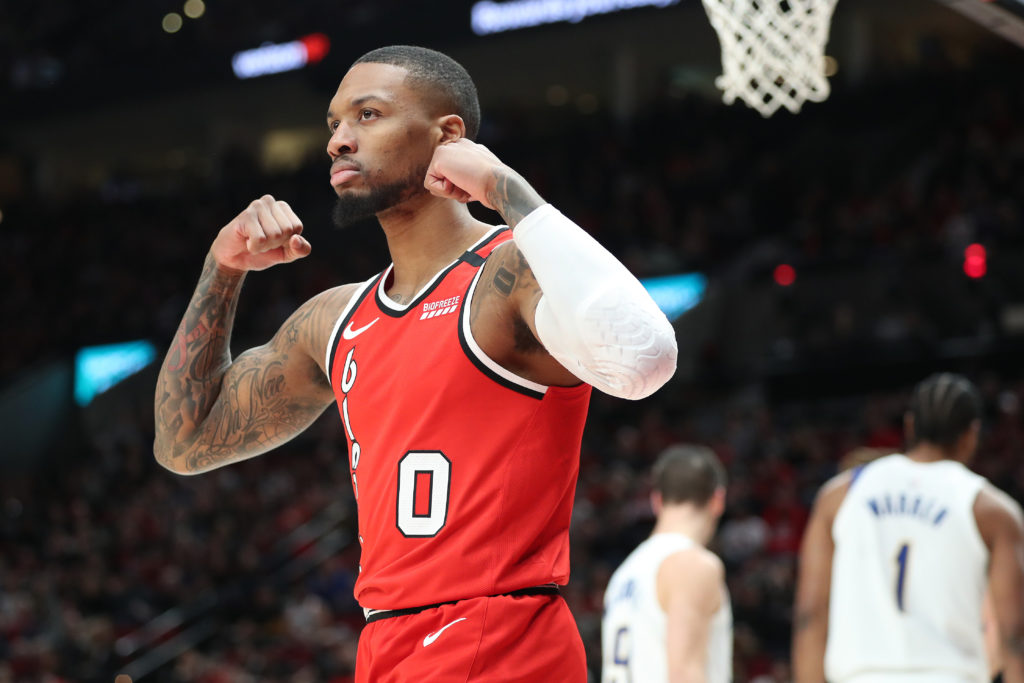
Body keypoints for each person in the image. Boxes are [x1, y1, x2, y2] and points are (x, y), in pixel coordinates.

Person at [152, 45, 677, 681]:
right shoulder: (335, 319)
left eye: (367, 115)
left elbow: (646, 358)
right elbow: (185, 443)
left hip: (497, 637)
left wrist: (505, 189)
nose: (338, 141)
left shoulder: (509, 274)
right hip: (386, 642)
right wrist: (222, 268)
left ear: (448, 135)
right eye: (334, 124)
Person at [793, 373, 1024, 683]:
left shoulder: (840, 495)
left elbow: (809, 614)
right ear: (972, 434)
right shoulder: (992, 510)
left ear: (910, 425)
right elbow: (1013, 633)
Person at [601, 445, 733, 683]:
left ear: (657, 500)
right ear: (718, 499)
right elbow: (684, 674)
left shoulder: (624, 572)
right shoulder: (693, 564)